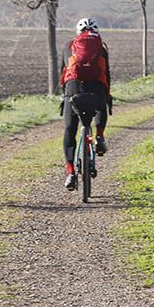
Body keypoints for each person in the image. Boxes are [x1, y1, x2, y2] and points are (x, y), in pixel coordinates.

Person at [60, 17, 113, 190]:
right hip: (96, 89)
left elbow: (64, 74)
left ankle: (70, 172)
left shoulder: (68, 46)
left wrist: (64, 96)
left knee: (70, 129)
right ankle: (99, 136)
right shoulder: (101, 48)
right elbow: (106, 75)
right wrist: (108, 97)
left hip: (73, 89)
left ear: (78, 32)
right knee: (100, 103)